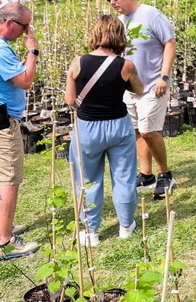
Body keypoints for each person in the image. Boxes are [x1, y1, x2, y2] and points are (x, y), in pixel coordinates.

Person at [65, 15, 146, 246]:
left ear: (95, 34)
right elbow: (139, 90)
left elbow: (70, 100)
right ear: (119, 36)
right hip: (119, 125)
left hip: (87, 127)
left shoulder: (78, 62)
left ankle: (91, 232)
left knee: (87, 180)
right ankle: (126, 225)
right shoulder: (125, 65)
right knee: (124, 177)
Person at [0, 3, 40, 260]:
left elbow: (8, 75)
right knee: (9, 179)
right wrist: (32, 51)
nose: (27, 32)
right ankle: (5, 242)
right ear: (10, 23)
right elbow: (25, 81)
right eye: (25, 27)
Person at [105, 0, 178, 200]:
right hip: (130, 86)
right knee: (137, 130)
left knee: (148, 130)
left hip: (154, 83)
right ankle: (147, 175)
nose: (112, 2)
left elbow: (170, 43)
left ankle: (165, 173)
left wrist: (164, 77)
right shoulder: (119, 21)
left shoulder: (151, 14)